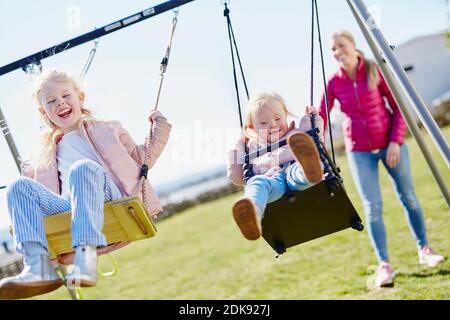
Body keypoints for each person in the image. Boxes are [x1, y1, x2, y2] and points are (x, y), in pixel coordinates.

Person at [0, 70, 172, 299]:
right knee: (17, 188)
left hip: (113, 201)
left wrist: (158, 128)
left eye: (65, 95)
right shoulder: (40, 157)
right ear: (44, 112)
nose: (60, 103)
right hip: (72, 212)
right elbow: (33, 204)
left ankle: (86, 257)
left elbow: (143, 159)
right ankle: (38, 266)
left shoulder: (108, 129)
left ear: (80, 98)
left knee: (82, 169)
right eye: (51, 101)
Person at [319, 30, 444, 287]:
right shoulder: (333, 82)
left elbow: (398, 107)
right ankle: (384, 265)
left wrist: (395, 142)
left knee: (408, 196)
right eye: (333, 49)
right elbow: (320, 115)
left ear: (354, 46)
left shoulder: (374, 70)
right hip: (359, 150)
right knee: (372, 207)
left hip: (390, 145)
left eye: (341, 45)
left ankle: (425, 250)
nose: (337, 51)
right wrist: (312, 123)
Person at [227, 91, 325, 240]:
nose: (272, 124)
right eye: (263, 123)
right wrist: (238, 144)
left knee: (300, 167)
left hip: (295, 169)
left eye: (277, 118)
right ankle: (251, 212)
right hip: (272, 181)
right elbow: (236, 177)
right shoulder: (251, 148)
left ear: (286, 115)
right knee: (256, 183)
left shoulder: (297, 135)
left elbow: (316, 137)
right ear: (252, 127)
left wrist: (313, 119)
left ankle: (309, 171)